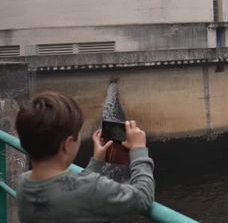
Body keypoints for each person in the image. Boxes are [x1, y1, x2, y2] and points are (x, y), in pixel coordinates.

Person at [15, 91, 155, 223]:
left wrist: (97, 160)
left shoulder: (23, 183)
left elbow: (75, 190)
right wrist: (138, 150)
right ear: (67, 144)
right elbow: (143, 197)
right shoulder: (93, 187)